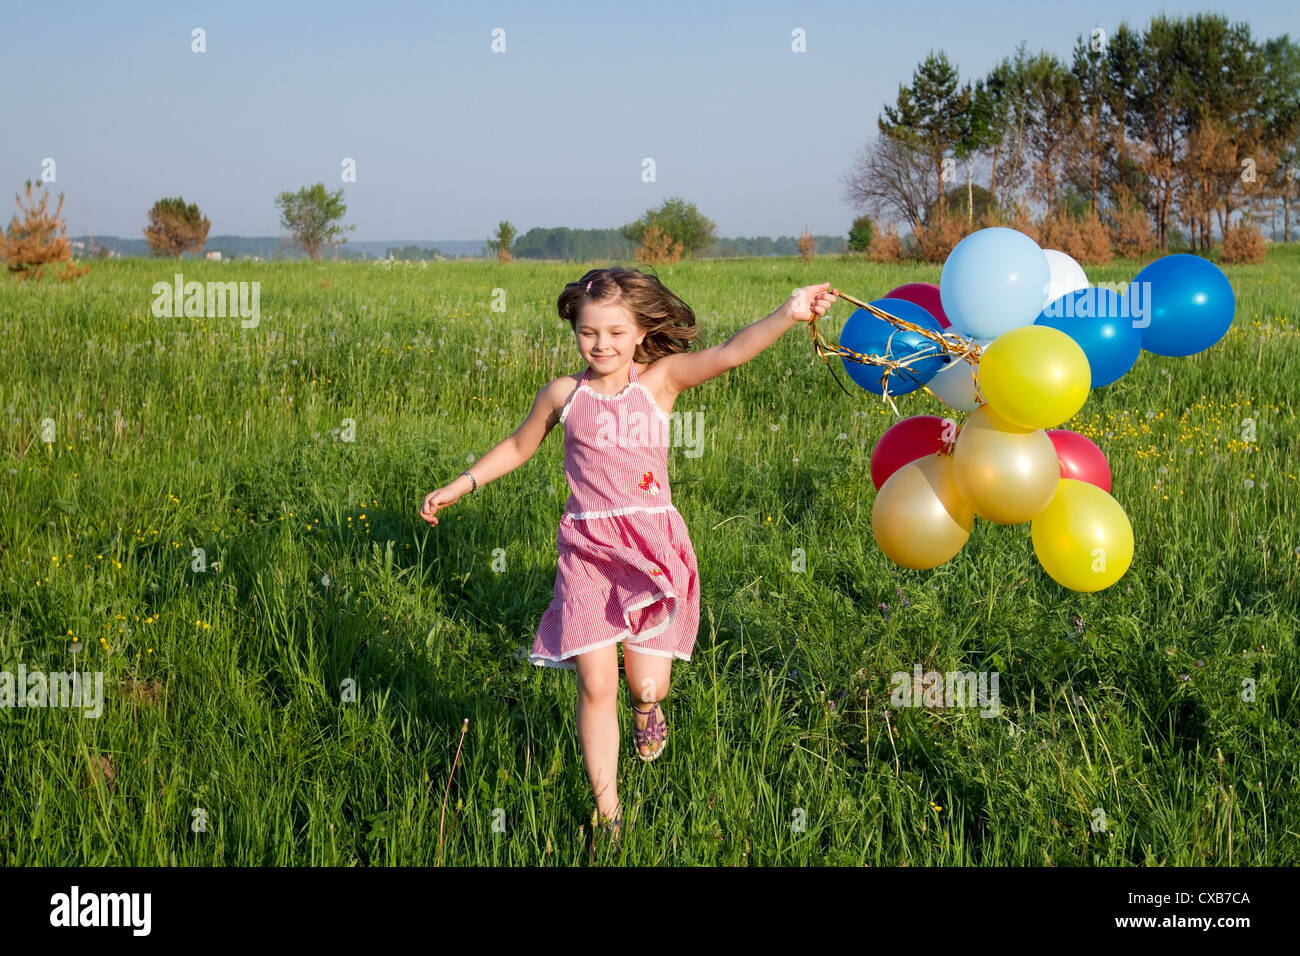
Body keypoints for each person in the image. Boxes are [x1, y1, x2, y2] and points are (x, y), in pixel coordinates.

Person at [419, 266, 837, 844]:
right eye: (589, 333)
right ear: (574, 331)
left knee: (648, 686)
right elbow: (519, 445)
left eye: (616, 333)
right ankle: (608, 814)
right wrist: (462, 484)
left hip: (650, 549)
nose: (602, 346)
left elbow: (730, 354)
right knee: (595, 683)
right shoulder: (564, 395)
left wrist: (788, 314)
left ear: (640, 332)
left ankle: (647, 712)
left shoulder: (660, 382)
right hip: (586, 552)